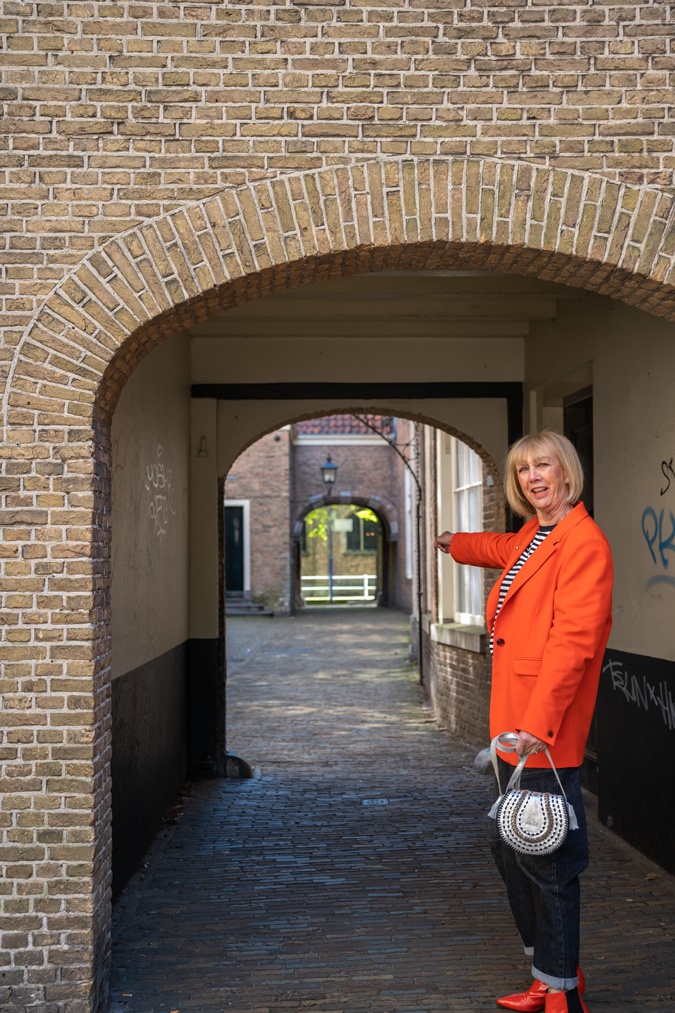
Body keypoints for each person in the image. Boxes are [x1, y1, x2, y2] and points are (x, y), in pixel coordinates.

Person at [434, 431, 613, 1013]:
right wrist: (452, 542)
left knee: (548, 859)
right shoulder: (536, 537)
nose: (533, 477)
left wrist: (538, 725)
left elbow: (573, 644)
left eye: (544, 466)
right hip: (512, 727)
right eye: (522, 471)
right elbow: (497, 548)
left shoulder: (581, 542)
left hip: (543, 730)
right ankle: (552, 970)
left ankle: (561, 992)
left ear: (567, 472)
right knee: (512, 849)